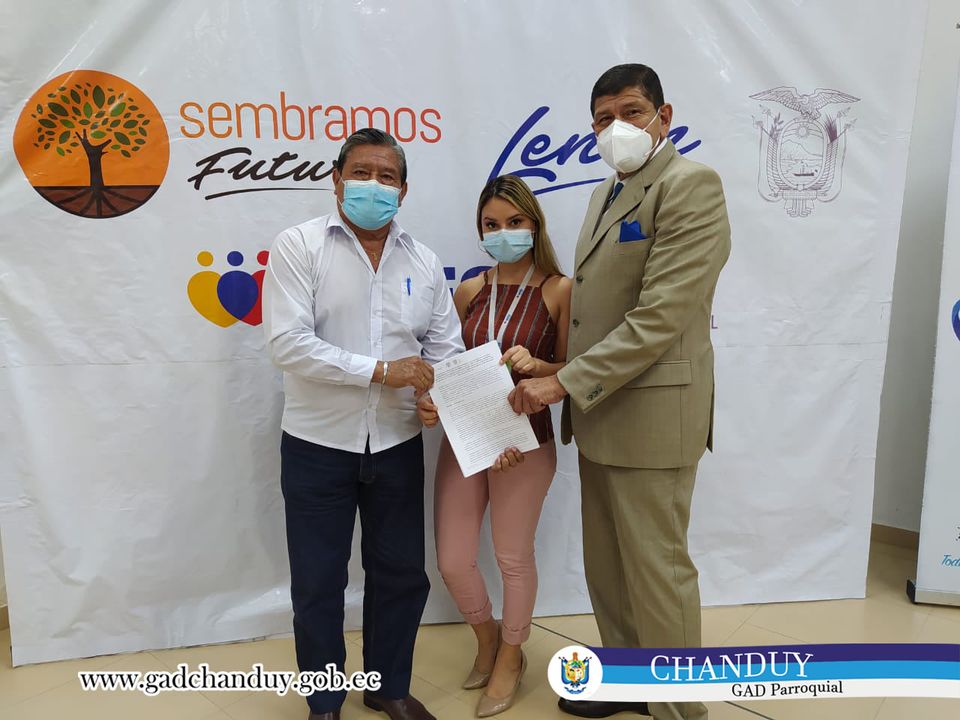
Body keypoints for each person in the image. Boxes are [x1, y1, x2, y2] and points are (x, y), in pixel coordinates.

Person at [509, 64, 731, 720]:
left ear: (665, 116)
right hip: (601, 411)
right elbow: (595, 312)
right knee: (608, 567)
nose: (617, 128)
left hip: (654, 415)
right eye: (603, 119)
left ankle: (679, 708)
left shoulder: (690, 186)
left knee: (658, 570)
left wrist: (563, 380)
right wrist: (555, 366)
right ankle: (631, 680)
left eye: (631, 112)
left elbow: (659, 317)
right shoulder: (606, 193)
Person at [262, 128, 464, 720]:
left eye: (387, 176)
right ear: (336, 180)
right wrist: (380, 371)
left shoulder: (423, 261)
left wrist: (436, 395)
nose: (373, 185)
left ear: (404, 189)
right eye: (361, 173)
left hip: (397, 443)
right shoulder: (299, 245)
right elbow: (288, 344)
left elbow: (444, 350)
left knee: (401, 574)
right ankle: (324, 701)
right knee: (318, 582)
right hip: (316, 443)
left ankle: (387, 686)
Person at [417, 175, 572, 717]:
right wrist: (431, 401)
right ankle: (486, 637)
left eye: (514, 222)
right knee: (453, 559)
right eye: (491, 224)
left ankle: (511, 654)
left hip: (526, 441)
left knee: (512, 556)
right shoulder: (468, 291)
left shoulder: (559, 289)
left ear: (534, 224)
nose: (503, 232)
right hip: (467, 440)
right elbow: (446, 368)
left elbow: (574, 369)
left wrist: (539, 364)